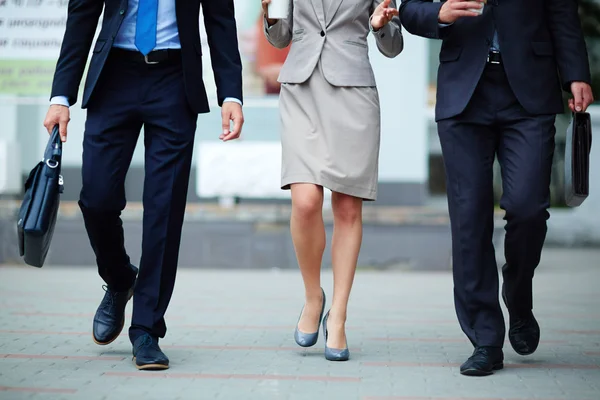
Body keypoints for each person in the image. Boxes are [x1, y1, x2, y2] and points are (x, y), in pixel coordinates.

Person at [43, 0, 244, 370]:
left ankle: (147, 329)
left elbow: (220, 17)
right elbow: (82, 14)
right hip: (114, 76)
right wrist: (61, 96)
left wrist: (230, 93)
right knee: (96, 198)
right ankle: (120, 279)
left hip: (174, 79)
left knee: (163, 210)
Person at [399, 0, 593, 376]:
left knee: (528, 209)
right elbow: (410, 9)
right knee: (469, 220)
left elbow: (562, 12)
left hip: (530, 93)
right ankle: (486, 339)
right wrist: (438, 14)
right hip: (463, 95)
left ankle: (518, 294)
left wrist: (576, 74)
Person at [262, 0, 403, 361]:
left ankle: (338, 315)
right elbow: (280, 39)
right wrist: (269, 12)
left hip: (353, 91)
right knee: (305, 202)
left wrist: (379, 25)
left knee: (347, 208)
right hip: (301, 88)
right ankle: (313, 297)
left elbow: (392, 45)